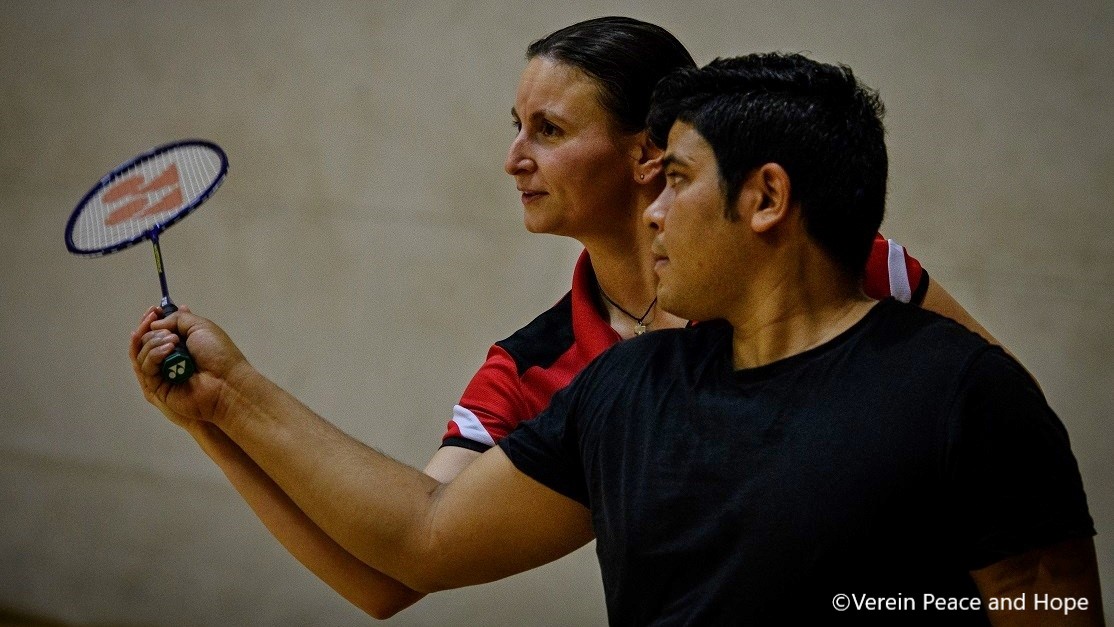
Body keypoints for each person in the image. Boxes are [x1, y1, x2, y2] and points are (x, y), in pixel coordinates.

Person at [131, 23, 1028, 622]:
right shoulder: (536, 367)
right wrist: (217, 414)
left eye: (549, 130)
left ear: (650, 153)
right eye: (515, 126)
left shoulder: (838, 264)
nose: (513, 158)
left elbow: (1009, 450)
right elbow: (396, 565)